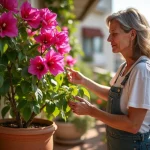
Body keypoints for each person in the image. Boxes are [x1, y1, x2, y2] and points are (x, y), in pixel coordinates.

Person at [67, 8, 150, 150]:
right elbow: (113, 95)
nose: (108, 39)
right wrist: (84, 81)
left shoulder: (141, 70)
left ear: (132, 34)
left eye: (114, 34)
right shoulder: (126, 66)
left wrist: (91, 111)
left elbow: (133, 125)